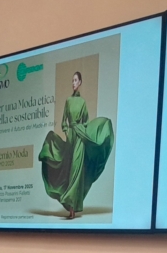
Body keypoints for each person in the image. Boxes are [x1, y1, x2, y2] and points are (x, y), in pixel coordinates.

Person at [38, 71, 115, 219]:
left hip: (80, 138)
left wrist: (82, 130)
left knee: (76, 171)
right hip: (71, 138)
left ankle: (72, 209)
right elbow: (63, 122)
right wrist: (67, 132)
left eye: (75, 80)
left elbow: (86, 121)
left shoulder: (83, 102)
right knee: (68, 170)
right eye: (72, 80)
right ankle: (71, 206)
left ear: (80, 83)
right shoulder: (68, 101)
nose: (73, 83)